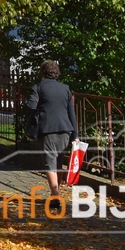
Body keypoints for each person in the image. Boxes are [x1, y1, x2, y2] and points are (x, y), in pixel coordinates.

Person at [26, 59, 77, 193]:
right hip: (65, 130)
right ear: (56, 73)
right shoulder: (65, 88)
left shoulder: (38, 87)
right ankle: (56, 192)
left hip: (47, 129)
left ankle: (55, 196)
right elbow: (71, 112)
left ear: (43, 72)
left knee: (49, 164)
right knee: (58, 163)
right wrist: (75, 135)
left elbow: (31, 106)